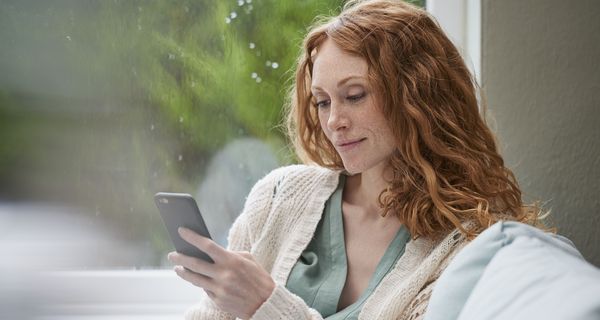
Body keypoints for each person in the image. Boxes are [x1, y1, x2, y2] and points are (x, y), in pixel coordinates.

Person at [167, 0, 542, 319]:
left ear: (419, 96)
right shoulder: (279, 196)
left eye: (355, 95)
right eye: (323, 101)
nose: (334, 122)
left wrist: (266, 306)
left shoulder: (466, 244)